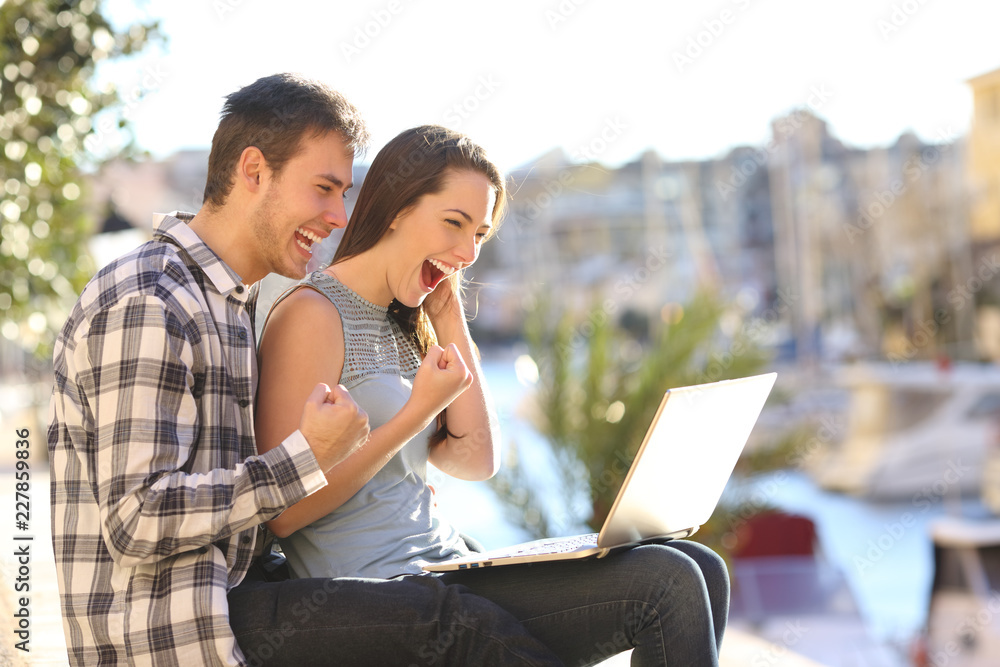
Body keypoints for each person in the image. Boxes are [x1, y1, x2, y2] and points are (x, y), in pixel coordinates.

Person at [48, 73, 565, 666]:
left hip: (248, 599)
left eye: (344, 193)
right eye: (323, 188)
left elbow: (260, 516)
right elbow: (137, 519)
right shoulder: (150, 299)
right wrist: (309, 459)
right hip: (176, 638)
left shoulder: (232, 305)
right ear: (253, 171)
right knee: (460, 623)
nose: (340, 216)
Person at [255, 124, 731, 666]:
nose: (466, 251)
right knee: (667, 583)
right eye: (453, 224)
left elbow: (477, 459)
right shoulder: (311, 314)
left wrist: (447, 314)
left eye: (479, 235)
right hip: (386, 597)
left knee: (698, 564)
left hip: (448, 567)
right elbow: (283, 513)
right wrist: (418, 410)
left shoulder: (406, 319)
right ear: (395, 208)